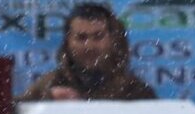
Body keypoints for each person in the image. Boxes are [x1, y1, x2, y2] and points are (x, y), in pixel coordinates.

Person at [18, 4, 156, 102]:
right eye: (81, 37)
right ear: (68, 42)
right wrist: (47, 99)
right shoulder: (51, 84)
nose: (89, 46)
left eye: (98, 36)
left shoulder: (134, 90)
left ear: (112, 40)